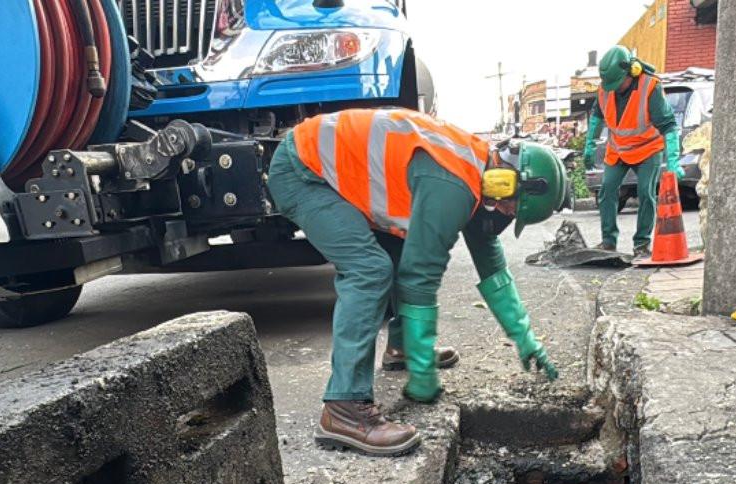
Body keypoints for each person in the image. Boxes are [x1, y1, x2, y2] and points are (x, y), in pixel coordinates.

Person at [268, 108, 565, 457]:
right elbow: (419, 278)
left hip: (321, 168)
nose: (504, 214)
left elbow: (491, 264)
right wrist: (424, 376)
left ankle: (401, 349)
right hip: (303, 172)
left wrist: (525, 338)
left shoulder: (477, 175)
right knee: (369, 270)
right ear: (509, 181)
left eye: (512, 215)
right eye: (512, 207)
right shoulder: (453, 183)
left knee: (398, 251)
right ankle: (343, 409)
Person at [583, 45, 683, 257]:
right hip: (618, 149)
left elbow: (668, 125)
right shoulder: (605, 89)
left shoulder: (650, 87)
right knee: (607, 191)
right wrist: (590, 144)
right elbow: (596, 117)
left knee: (645, 193)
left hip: (647, 149)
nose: (614, 88)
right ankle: (608, 242)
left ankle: (641, 245)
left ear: (632, 71)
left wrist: (673, 159)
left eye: (618, 83)